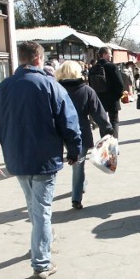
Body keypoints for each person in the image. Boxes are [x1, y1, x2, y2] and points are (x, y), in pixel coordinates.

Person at [0, 41, 82, 279]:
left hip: (18, 160)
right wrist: (75, 151)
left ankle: (41, 242)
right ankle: (41, 262)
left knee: (35, 207)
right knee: (42, 211)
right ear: (38, 59)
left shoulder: (3, 88)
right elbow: (69, 122)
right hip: (45, 160)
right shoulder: (50, 86)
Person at [55, 61, 114, 210]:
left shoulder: (55, 89)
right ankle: (76, 198)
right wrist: (107, 129)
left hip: (57, 131)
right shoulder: (87, 90)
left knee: (65, 165)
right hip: (79, 131)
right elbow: (98, 112)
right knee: (78, 165)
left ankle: (78, 186)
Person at [88, 47, 124, 138]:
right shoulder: (112, 67)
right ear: (104, 54)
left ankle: (104, 143)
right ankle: (114, 142)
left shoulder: (92, 69)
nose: (111, 56)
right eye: (109, 53)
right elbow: (120, 84)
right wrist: (118, 95)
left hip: (99, 99)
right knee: (114, 121)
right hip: (112, 99)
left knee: (102, 122)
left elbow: (90, 86)